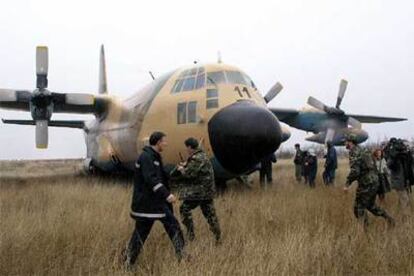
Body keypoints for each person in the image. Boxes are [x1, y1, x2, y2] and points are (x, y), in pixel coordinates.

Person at [125, 131, 185, 269]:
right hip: (149, 203)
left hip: (155, 203)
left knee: (169, 227)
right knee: (169, 227)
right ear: (158, 142)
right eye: (164, 141)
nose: (166, 143)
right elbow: (151, 179)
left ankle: (128, 262)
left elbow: (162, 177)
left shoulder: (154, 157)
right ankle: (128, 262)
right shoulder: (147, 157)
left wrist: (177, 170)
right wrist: (167, 195)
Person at [175, 137, 221, 243]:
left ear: (190, 147)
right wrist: (187, 164)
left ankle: (190, 234)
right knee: (210, 214)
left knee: (184, 209)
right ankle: (218, 237)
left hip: (199, 192)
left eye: (187, 148)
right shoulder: (202, 155)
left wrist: (182, 169)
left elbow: (189, 174)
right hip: (207, 192)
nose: (186, 150)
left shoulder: (196, 158)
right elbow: (196, 168)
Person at [343, 135, 395, 228]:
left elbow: (355, 171)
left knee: (358, 208)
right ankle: (389, 219)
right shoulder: (364, 149)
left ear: (350, 142)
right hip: (374, 181)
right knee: (370, 206)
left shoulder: (354, 152)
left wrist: (347, 184)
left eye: (346, 141)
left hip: (366, 183)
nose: (344, 143)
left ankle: (366, 230)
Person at [383, 138, 413, 210]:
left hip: (406, 180)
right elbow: (389, 165)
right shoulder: (393, 156)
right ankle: (407, 219)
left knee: (404, 199)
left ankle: (398, 213)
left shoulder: (405, 156)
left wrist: (409, 154)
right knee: (404, 199)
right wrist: (394, 157)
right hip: (399, 182)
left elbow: (411, 164)